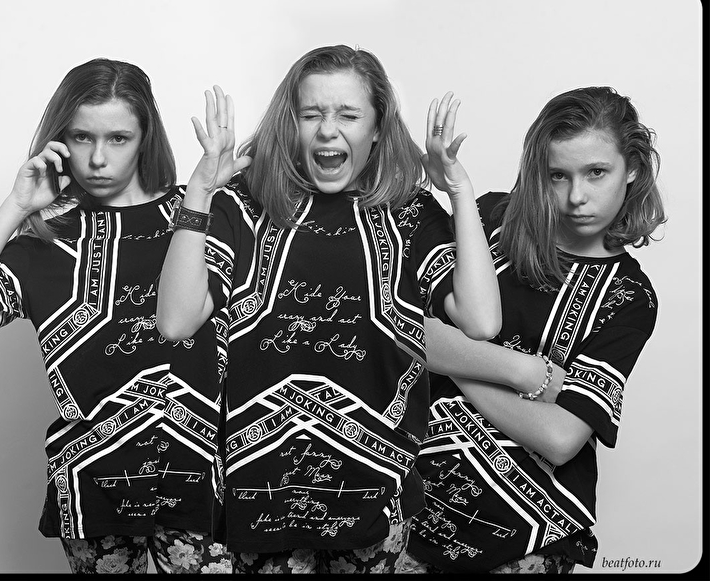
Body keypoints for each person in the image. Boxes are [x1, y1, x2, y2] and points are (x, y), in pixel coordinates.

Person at [156, 44, 501, 574]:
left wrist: (457, 190)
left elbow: (481, 321)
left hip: (375, 491)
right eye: (311, 114)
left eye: (348, 115)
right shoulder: (243, 204)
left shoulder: (408, 213)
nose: (327, 130)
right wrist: (200, 192)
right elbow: (175, 321)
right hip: (260, 491)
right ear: (290, 122)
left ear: (378, 128)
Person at [0, 58, 231, 574]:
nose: (97, 159)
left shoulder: (205, 213)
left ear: (145, 139)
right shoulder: (47, 239)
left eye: (118, 138)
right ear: (61, 140)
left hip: (203, 477)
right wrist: (17, 205)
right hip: (95, 482)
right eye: (82, 137)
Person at [396, 86, 667, 574]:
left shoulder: (629, 296)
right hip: (409, 507)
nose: (576, 197)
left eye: (596, 172)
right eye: (558, 175)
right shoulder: (489, 220)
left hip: (529, 533)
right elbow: (403, 328)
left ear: (632, 168)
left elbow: (561, 437)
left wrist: (453, 357)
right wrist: (526, 373)